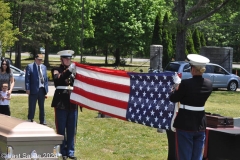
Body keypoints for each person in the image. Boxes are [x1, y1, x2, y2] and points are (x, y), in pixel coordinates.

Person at [170, 54, 213, 160]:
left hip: (185, 123)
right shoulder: (209, 84)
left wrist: (175, 86)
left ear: (193, 69)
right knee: (197, 156)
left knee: (184, 156)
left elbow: (173, 98)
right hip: (200, 124)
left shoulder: (185, 84)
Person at [51, 50, 78, 160]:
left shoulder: (74, 71)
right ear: (61, 60)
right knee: (61, 129)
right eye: (66, 59)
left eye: (69, 59)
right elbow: (59, 79)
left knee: (72, 129)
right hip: (61, 103)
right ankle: (62, 151)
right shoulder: (56, 70)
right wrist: (69, 70)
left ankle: (70, 151)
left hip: (72, 103)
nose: (68, 60)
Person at [25, 54, 48, 125]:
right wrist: (27, 88)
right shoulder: (30, 66)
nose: (39, 61)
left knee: (42, 106)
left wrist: (46, 89)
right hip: (33, 89)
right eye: (38, 59)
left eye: (41, 60)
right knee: (32, 105)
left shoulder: (44, 67)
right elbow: (27, 79)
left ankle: (42, 120)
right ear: (35, 59)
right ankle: (30, 118)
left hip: (42, 89)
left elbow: (46, 78)